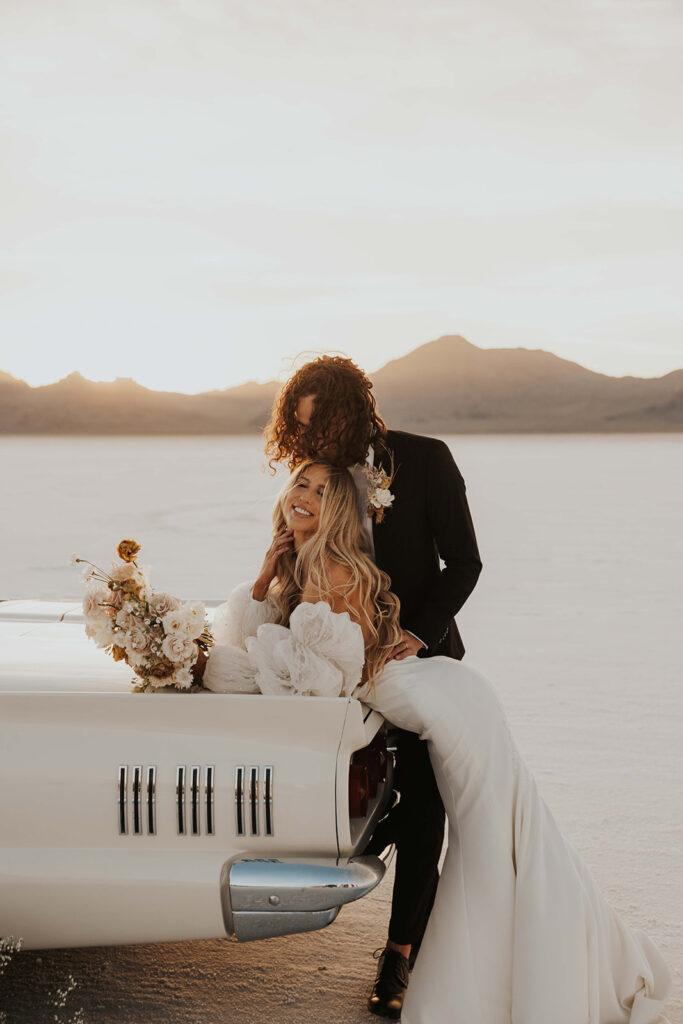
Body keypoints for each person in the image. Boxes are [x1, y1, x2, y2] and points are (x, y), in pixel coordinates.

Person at [200, 460, 671, 1024]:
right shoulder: (298, 562)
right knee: (503, 822)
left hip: (436, 699)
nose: (306, 496)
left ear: (338, 511)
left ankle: (525, 965)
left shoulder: (331, 567)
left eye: (324, 492)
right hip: (438, 693)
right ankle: (524, 942)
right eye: (301, 482)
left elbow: (329, 674)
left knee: (496, 828)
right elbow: (270, 633)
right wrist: (266, 572)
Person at [262, 354, 482, 1017]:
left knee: (421, 805)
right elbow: (294, 566)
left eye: (319, 427)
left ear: (351, 413)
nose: (310, 444)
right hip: (332, 666)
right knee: (356, 793)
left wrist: (412, 635)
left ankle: (400, 955)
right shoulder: (312, 480)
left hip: (414, 662)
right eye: (299, 433)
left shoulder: (425, 460)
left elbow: (463, 562)